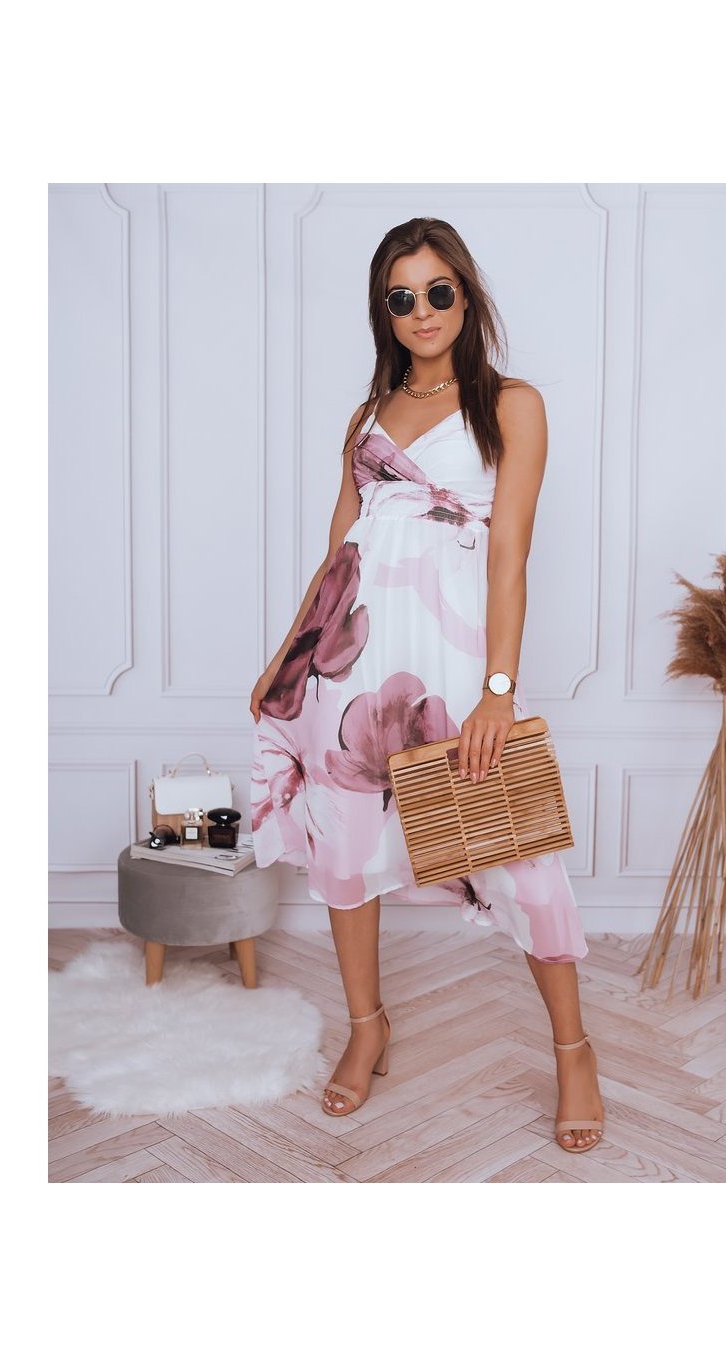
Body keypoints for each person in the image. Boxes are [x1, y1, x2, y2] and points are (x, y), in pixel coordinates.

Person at [249, 217, 605, 1153]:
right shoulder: (365, 419)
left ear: (466, 295)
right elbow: (338, 555)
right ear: (385, 311)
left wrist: (498, 690)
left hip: (452, 671)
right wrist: (285, 658)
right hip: (347, 670)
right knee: (346, 852)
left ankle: (574, 1050)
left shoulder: (510, 405)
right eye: (401, 297)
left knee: (519, 857)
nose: (422, 311)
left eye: (438, 291)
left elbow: (510, 555)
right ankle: (367, 1028)